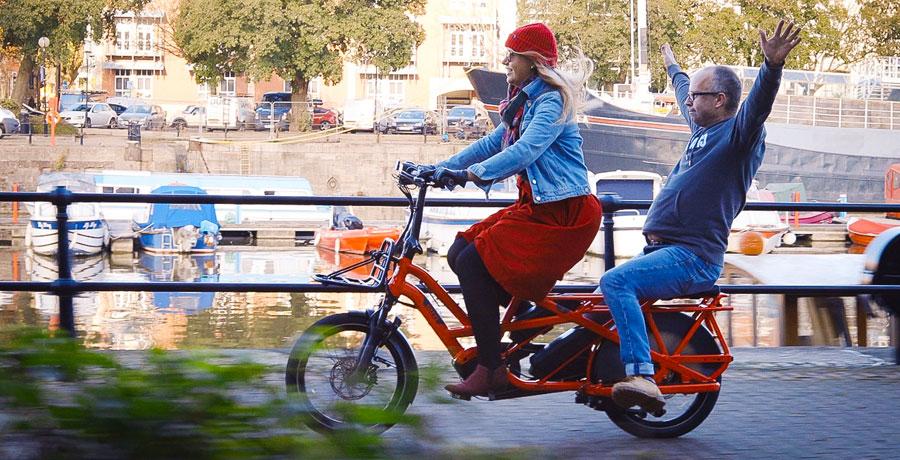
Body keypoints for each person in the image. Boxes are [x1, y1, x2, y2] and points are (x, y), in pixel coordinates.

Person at [598, 20, 802, 413]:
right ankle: (563, 370)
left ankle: (641, 375)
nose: (688, 102)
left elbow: (757, 106)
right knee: (595, 303)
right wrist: (674, 70)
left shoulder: (740, 137)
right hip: (666, 249)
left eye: (697, 96)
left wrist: (771, 67)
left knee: (615, 282)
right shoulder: (702, 130)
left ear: (720, 100)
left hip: (693, 256)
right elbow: (681, 93)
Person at [432, 22, 601, 397]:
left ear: (532, 61)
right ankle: (508, 340)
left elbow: (525, 151)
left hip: (564, 214)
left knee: (475, 261)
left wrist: (469, 176)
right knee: (460, 252)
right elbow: (494, 142)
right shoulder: (523, 100)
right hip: (540, 208)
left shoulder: (551, 101)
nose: (505, 60)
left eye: (512, 55)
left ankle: (492, 367)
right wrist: (442, 168)